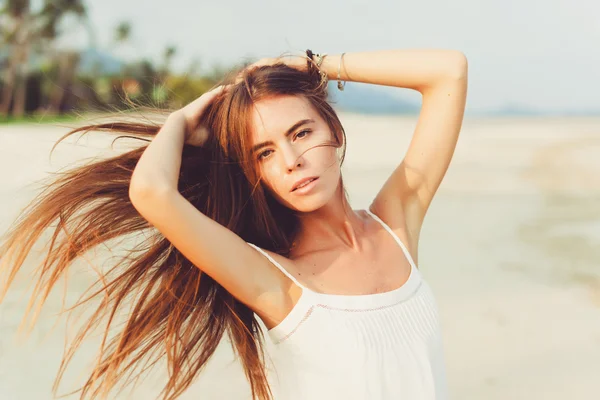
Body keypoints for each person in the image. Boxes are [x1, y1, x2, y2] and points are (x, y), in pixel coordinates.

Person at [0, 48, 468, 399]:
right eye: (263, 153)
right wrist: (183, 121)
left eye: (301, 133)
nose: (291, 162)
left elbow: (449, 71)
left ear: (334, 132)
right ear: (255, 172)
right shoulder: (276, 279)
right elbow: (150, 192)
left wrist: (314, 64)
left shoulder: (396, 225)